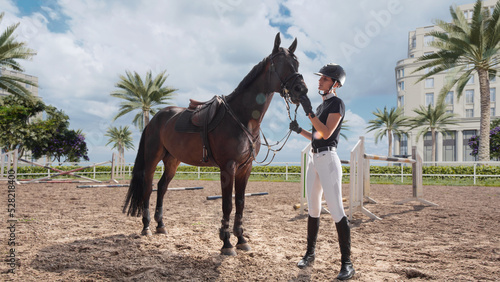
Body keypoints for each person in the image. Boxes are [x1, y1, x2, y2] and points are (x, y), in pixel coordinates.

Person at [290, 63, 355, 280]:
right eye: (321, 78)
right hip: (314, 159)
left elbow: (326, 134)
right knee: (313, 208)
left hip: (328, 160)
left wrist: (309, 113)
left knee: (337, 210)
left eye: (325, 79)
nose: (320, 81)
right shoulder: (320, 108)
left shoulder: (337, 104)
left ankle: (347, 263)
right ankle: (310, 254)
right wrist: (300, 131)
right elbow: (316, 135)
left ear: (335, 84)